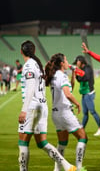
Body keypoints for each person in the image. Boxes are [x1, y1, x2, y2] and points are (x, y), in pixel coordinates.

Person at [18, 40, 76, 171]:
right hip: (42, 107)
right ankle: (67, 166)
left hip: (31, 108)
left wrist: (23, 110)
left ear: (21, 51)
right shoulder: (37, 66)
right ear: (33, 52)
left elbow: (31, 88)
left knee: (23, 143)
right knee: (42, 143)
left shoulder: (28, 66)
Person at [45, 53, 88, 171]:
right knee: (83, 137)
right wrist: (77, 103)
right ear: (62, 63)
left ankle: (57, 169)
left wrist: (73, 73)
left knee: (62, 143)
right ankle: (78, 168)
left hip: (56, 114)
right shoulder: (62, 76)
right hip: (65, 112)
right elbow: (68, 94)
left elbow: (70, 88)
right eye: (66, 60)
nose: (68, 62)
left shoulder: (55, 75)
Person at [72, 55, 100, 136]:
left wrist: (78, 73)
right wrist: (77, 74)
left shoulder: (87, 68)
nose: (76, 64)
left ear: (80, 61)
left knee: (92, 111)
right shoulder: (83, 69)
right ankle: (82, 129)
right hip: (84, 93)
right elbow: (80, 80)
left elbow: (86, 78)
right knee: (85, 113)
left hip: (88, 93)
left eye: (77, 62)